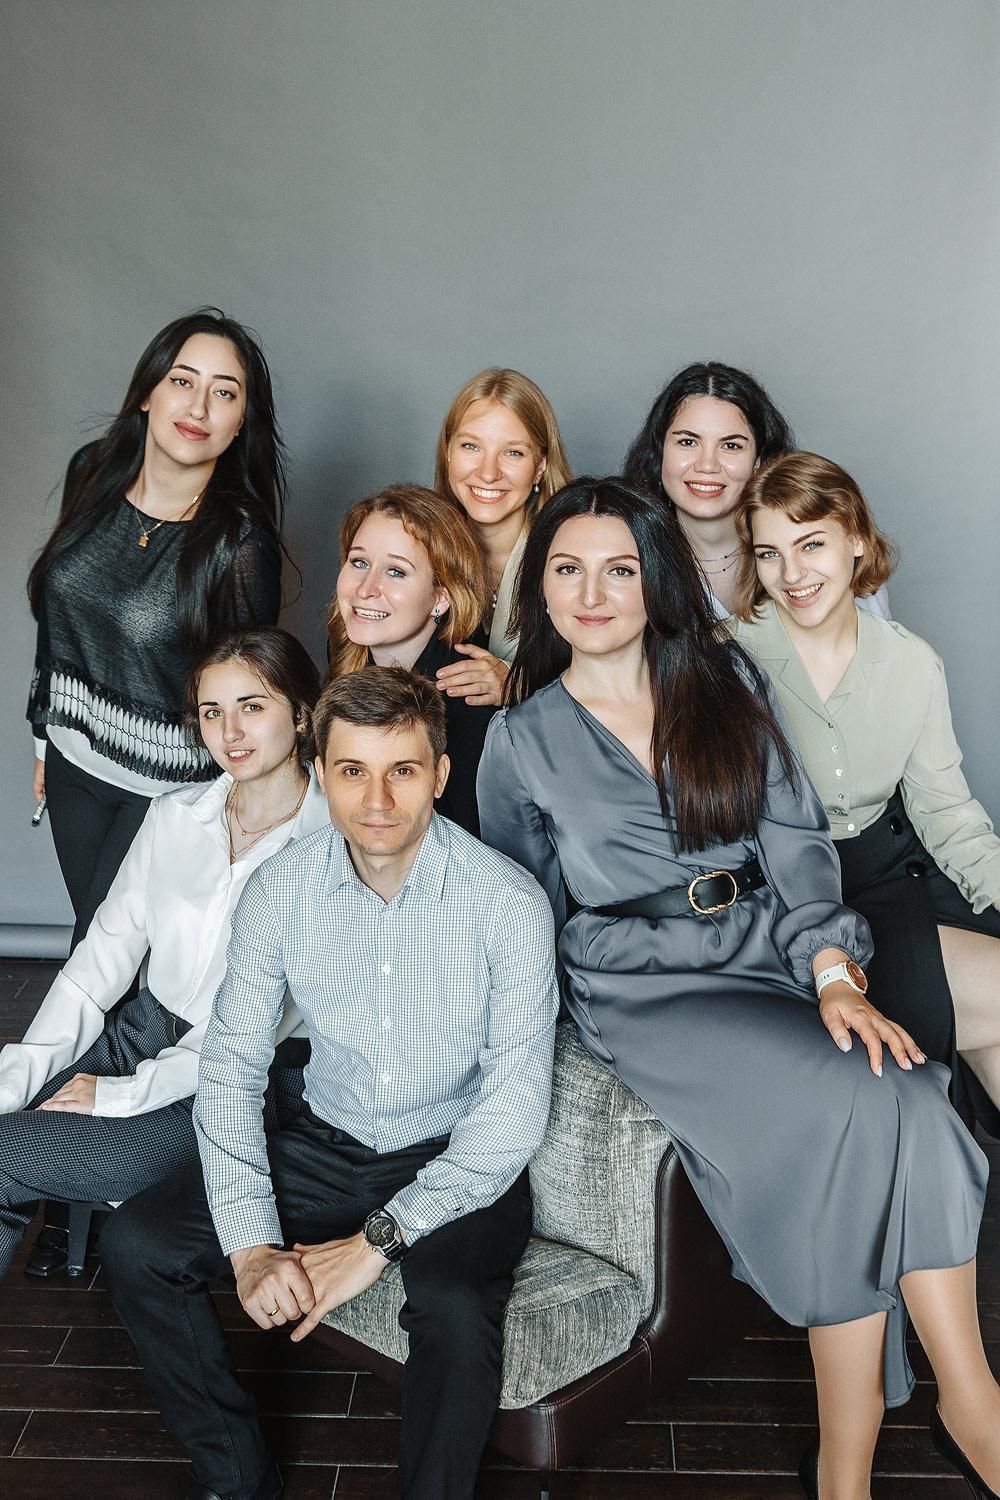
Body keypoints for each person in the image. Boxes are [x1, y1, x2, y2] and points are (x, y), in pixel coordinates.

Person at [477, 478, 1000, 1500]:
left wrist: (835, 975)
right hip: (647, 990)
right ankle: (967, 1415)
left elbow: (795, 839)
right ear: (538, 588)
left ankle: (905, 1433)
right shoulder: (521, 739)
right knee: (872, 1096)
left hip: (767, 947)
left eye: (619, 569)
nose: (593, 593)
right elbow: (518, 911)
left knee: (907, 1096)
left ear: (654, 582)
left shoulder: (721, 682)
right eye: (568, 569)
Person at [100, 667, 558, 1500]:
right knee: (136, 1244)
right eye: (352, 771)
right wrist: (249, 1246)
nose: (376, 800)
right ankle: (240, 1481)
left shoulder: (509, 905)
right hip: (323, 1137)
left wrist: (378, 1242)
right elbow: (232, 1066)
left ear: (440, 775)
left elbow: (513, 1110)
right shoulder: (281, 889)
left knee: (453, 1304)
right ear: (321, 772)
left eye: (402, 770)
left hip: (454, 1156)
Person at [0, 627, 327, 1283]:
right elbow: (98, 965)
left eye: (252, 706)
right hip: (141, 1031)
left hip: (237, 1082)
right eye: (211, 711)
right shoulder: (174, 816)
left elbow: (252, 1031)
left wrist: (120, 1095)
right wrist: (22, 1072)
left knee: (4, 1154)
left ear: (300, 714)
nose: (229, 731)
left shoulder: (332, 851)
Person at [728, 451, 1000, 1131]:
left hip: (892, 872)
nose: (792, 575)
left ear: (855, 537)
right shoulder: (725, 660)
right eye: (769, 553)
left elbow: (946, 812)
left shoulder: (911, 661)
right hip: (787, 893)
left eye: (811, 544)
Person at [27, 307, 287, 950]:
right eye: (182, 380)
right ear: (147, 392)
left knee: (103, 955)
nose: (198, 406)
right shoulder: (91, 472)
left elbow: (252, 689)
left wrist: (240, 807)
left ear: (240, 422)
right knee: (99, 953)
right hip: (72, 759)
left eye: (224, 392)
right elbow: (58, 619)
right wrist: (42, 739)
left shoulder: (239, 544)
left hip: (168, 788)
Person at [621, 360, 891, 620]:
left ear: (759, 462)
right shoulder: (624, 555)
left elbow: (880, 646)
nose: (707, 465)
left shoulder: (827, 555)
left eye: (731, 446)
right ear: (660, 452)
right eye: (688, 442)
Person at [328, 483, 494, 834]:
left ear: (441, 598)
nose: (365, 589)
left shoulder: (469, 702)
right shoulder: (347, 661)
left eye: (396, 572)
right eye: (359, 562)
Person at [433, 366, 572, 701]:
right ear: (448, 452)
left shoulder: (576, 560)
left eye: (513, 452)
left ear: (540, 465)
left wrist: (519, 685)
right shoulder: (419, 550)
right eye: (471, 446)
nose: (488, 473)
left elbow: (621, 680)